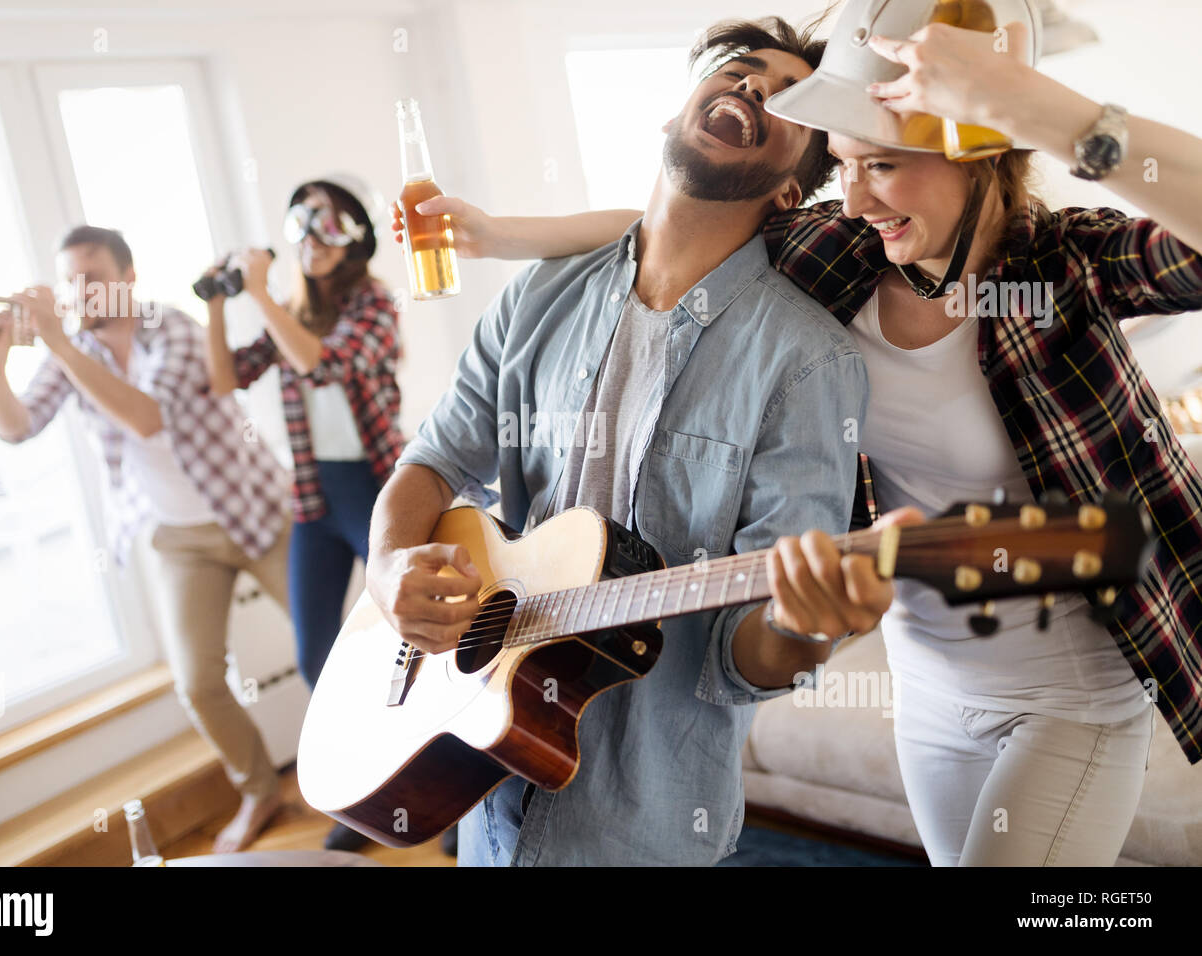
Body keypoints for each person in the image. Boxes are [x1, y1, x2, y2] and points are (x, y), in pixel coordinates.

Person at [397, 1, 1202, 865]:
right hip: (933, 689)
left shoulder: (1067, 264)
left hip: (1073, 690)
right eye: (846, 166)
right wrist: (501, 237)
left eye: (883, 165)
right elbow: (675, 228)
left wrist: (1047, 108)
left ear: (981, 161)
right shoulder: (845, 254)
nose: (853, 197)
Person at [367, 15, 909, 866]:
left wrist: (808, 627)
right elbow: (432, 465)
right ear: (674, 112)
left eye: (789, 96)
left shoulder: (808, 364)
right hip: (483, 784)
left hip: (647, 824)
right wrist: (389, 566)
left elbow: (746, 653)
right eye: (738, 69)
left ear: (790, 193)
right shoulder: (535, 298)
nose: (753, 87)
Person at [0, 226, 293, 854]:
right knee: (197, 683)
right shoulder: (76, 349)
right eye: (68, 278)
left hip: (256, 512)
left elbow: (147, 417)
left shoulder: (170, 326)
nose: (77, 290)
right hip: (178, 539)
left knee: (328, 647)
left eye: (91, 276)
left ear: (127, 278)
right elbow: (18, 427)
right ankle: (261, 791)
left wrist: (62, 344)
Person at [202, 176, 405, 851]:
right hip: (316, 498)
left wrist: (259, 294)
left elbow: (322, 365)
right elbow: (226, 379)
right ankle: (373, 803)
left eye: (330, 223)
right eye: (304, 221)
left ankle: (453, 796)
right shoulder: (288, 308)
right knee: (318, 662)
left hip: (381, 490)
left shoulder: (374, 304)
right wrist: (216, 304)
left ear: (355, 238)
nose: (313, 237)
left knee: (418, 649)